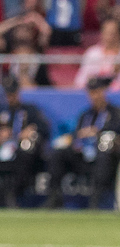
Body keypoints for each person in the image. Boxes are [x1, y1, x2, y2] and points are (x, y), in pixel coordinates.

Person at [44, 76, 120, 210]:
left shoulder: (115, 114)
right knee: (58, 154)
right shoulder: (86, 115)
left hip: (104, 157)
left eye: (97, 92)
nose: (94, 96)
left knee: (104, 156)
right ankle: (55, 197)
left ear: (104, 92)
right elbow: (75, 135)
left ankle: (97, 202)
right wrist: (78, 137)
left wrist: (97, 133)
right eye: (91, 93)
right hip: (83, 155)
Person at [0, 73, 50, 208]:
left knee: (27, 152)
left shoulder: (29, 110)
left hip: (21, 153)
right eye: (7, 94)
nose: (10, 97)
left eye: (12, 93)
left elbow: (44, 129)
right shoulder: (1, 113)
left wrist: (29, 132)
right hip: (2, 151)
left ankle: (12, 193)